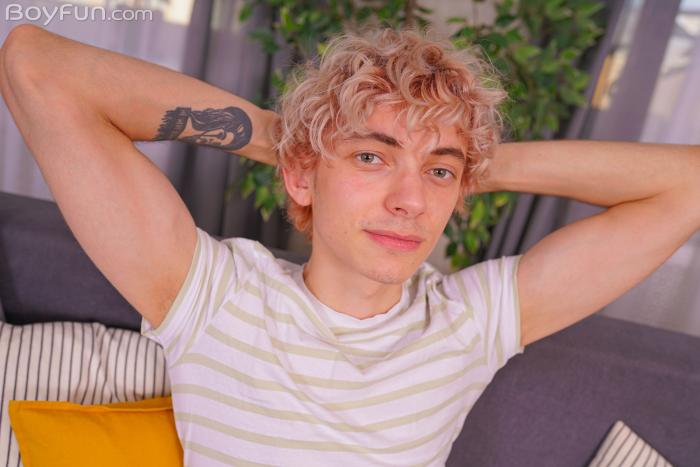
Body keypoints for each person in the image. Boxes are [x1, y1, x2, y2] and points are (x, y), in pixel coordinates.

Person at [1, 24, 698, 466]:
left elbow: (688, 185)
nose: (409, 200)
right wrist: (290, 140)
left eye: (437, 173)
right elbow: (33, 65)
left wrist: (473, 163)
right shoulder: (210, 293)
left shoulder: (471, 321)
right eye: (371, 157)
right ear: (302, 174)